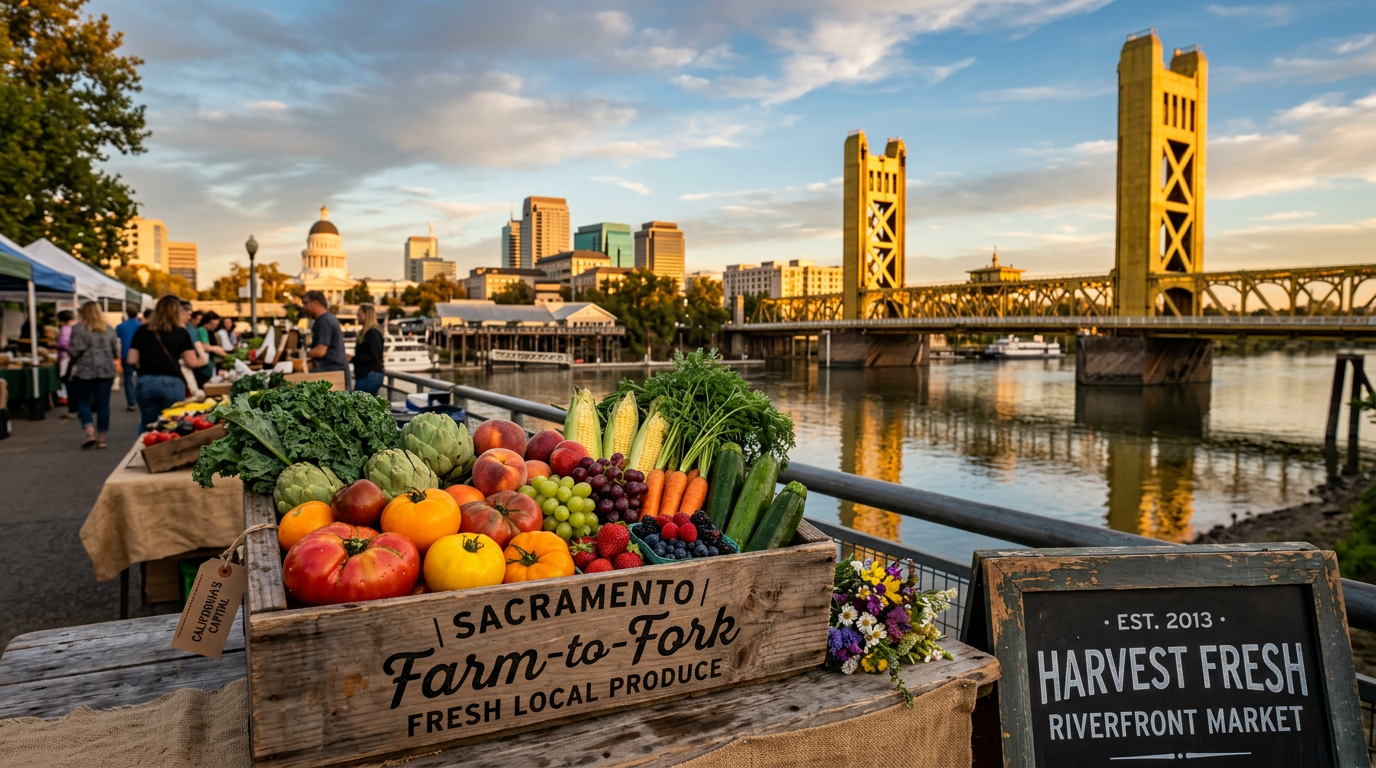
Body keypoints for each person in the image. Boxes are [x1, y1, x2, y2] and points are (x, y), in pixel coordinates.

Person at [130, 296, 206, 431]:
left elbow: (131, 359)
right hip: (172, 383)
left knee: (150, 426)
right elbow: (192, 362)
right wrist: (203, 359)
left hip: (146, 382)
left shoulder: (142, 330)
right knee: (174, 426)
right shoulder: (181, 332)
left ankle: (147, 449)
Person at [67, 302, 121, 448]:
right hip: (106, 370)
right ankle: (102, 438)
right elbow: (115, 351)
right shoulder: (108, 329)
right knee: (103, 404)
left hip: (85, 370)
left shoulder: (78, 329)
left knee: (83, 402)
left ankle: (90, 432)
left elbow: (74, 351)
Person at [302, 290, 349, 377]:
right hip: (335, 371)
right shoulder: (326, 319)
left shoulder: (325, 321)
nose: (303, 307)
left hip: (333, 372)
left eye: (306, 303)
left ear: (315, 303)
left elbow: (320, 351)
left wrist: (301, 355)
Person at [351, 304, 385, 396]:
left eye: (360, 313)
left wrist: (353, 359)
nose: (357, 316)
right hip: (368, 374)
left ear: (367, 315)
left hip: (369, 375)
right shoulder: (369, 333)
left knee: (359, 404)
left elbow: (374, 357)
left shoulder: (372, 334)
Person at [115, 306, 142, 412]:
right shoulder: (141, 326)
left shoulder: (120, 326)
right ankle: (141, 398)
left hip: (125, 354)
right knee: (140, 378)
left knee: (127, 379)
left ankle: (131, 402)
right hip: (140, 355)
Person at [56, 309, 77, 418]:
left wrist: (56, 345)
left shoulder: (65, 329)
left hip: (65, 359)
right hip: (72, 358)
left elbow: (63, 344)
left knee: (68, 383)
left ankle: (72, 408)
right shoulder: (75, 328)